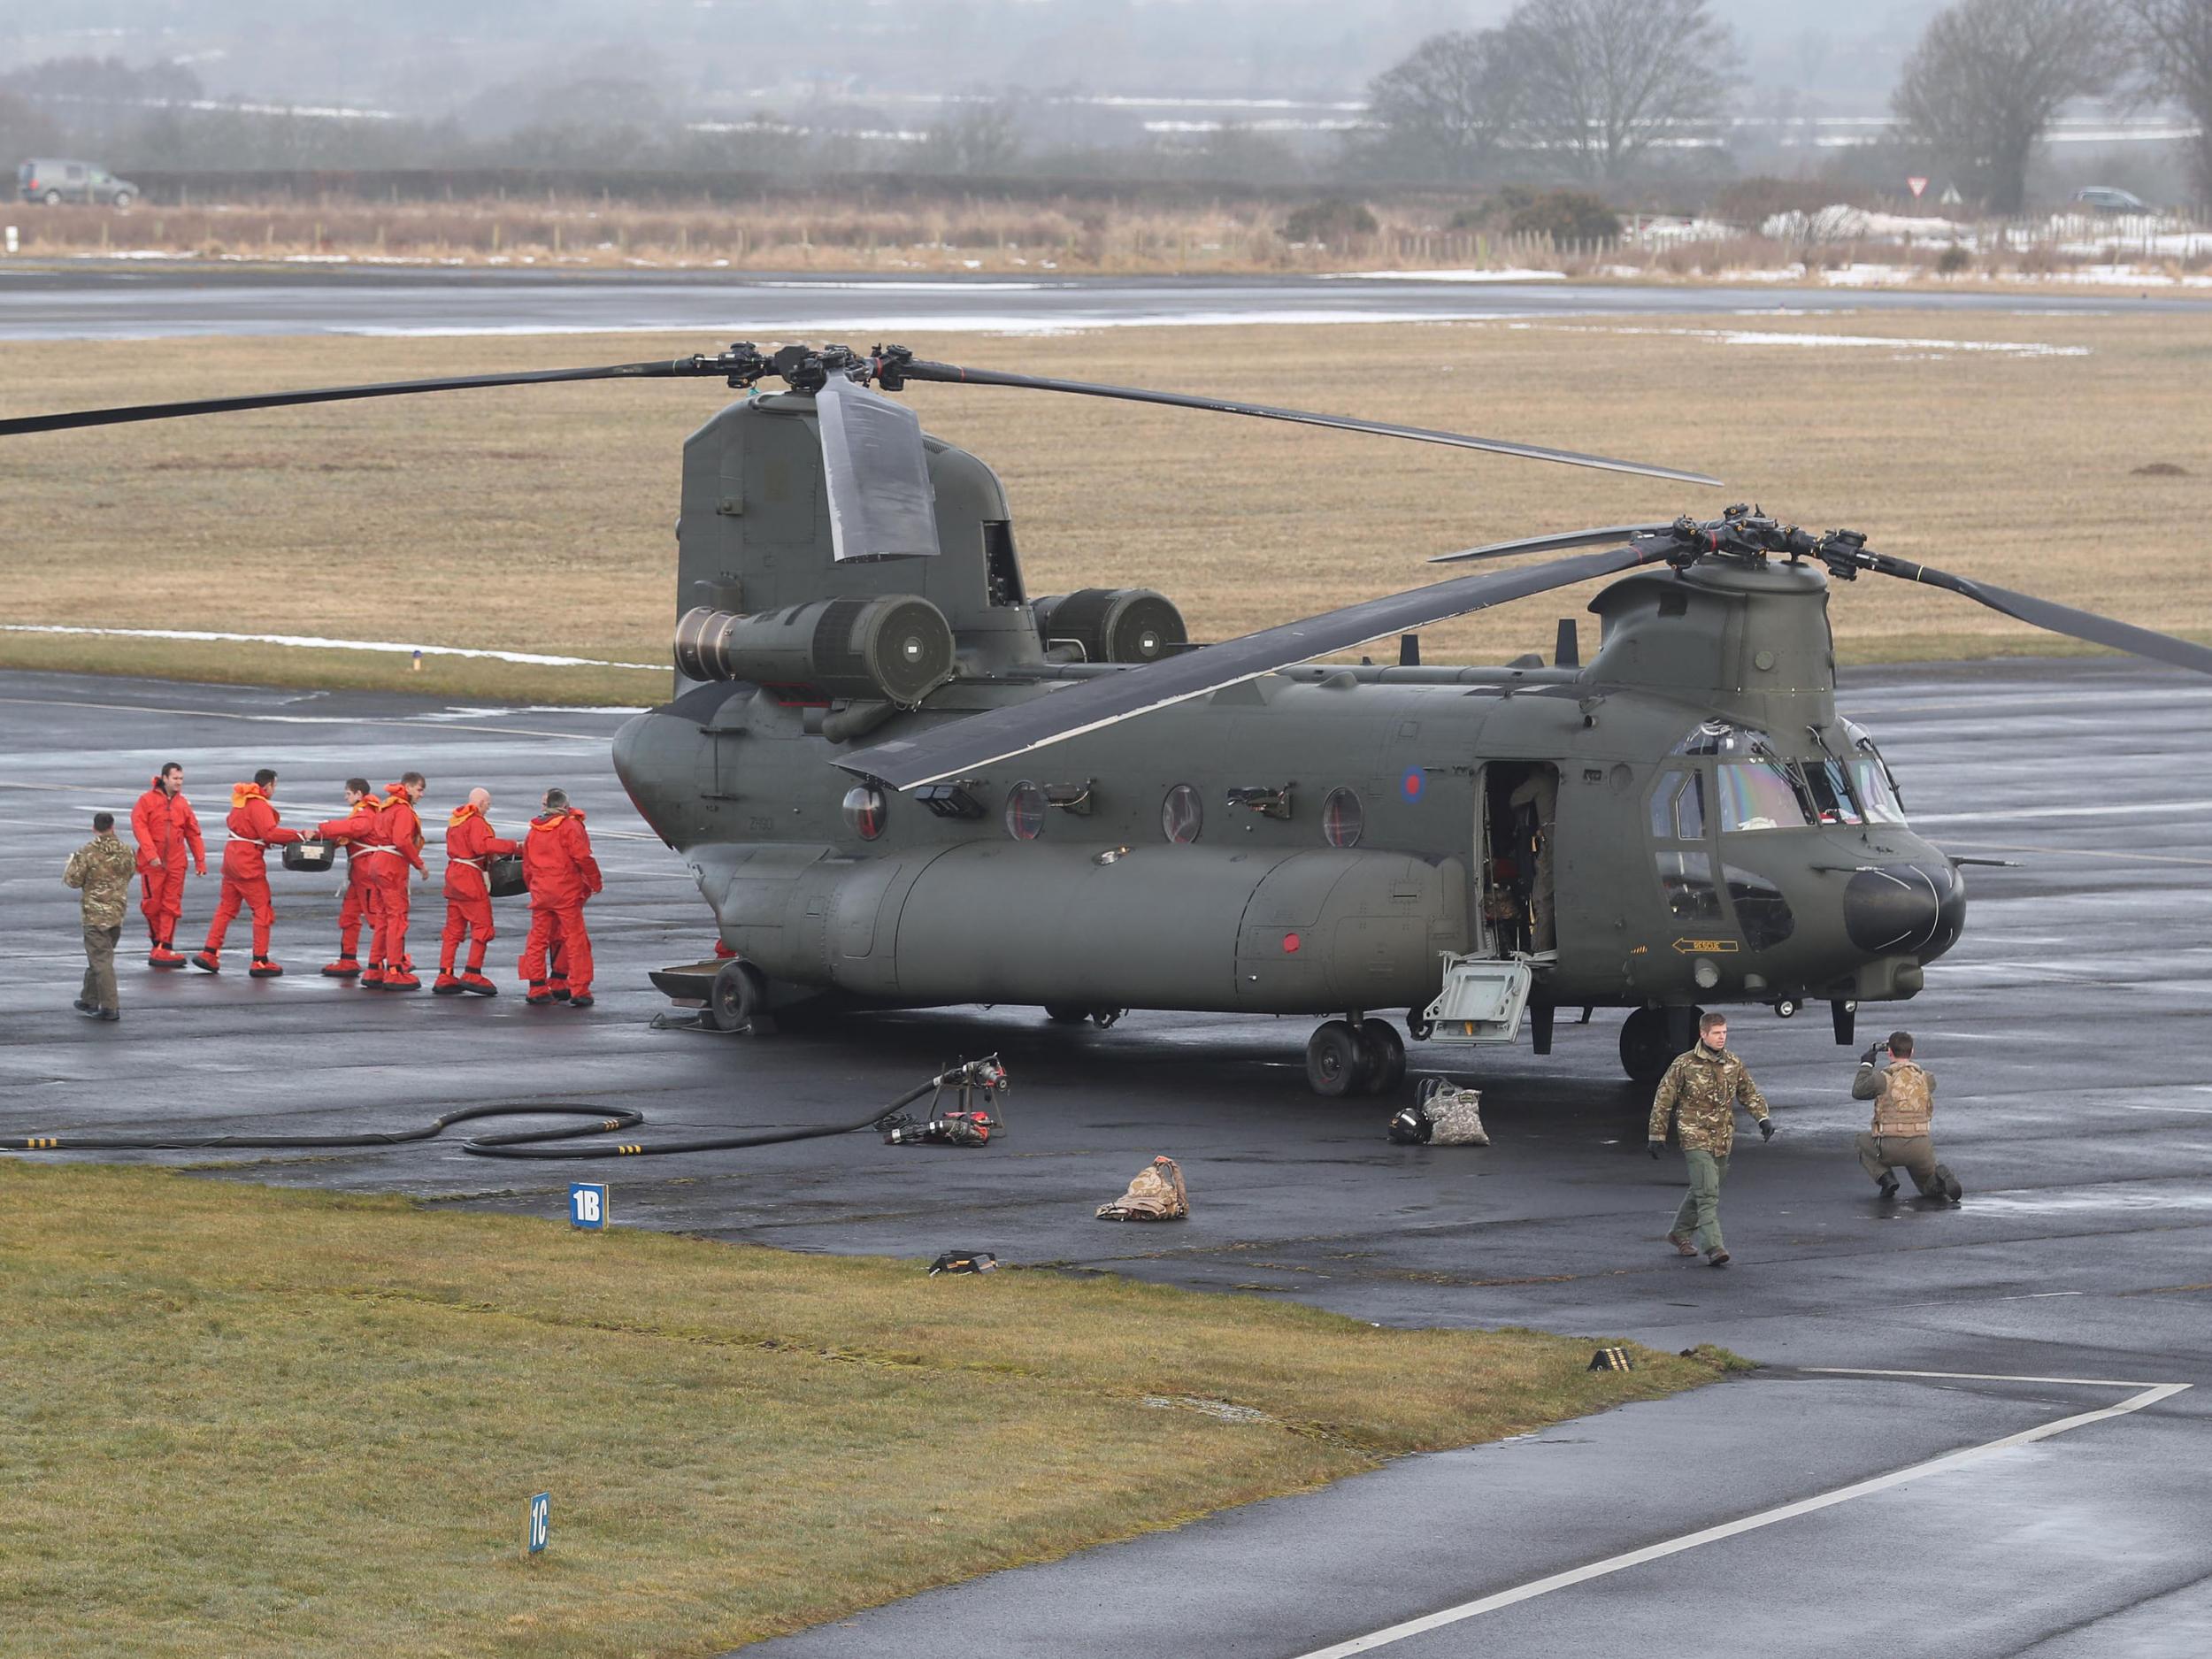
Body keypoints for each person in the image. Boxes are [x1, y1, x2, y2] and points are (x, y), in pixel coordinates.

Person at [1647, 1010, 1776, 1267]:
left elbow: (1748, 1092)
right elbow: (1664, 1100)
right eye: (1716, 1033)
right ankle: (1714, 1246)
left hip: (1722, 1137)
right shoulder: (1684, 1064)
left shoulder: (1733, 1063)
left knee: (1706, 1187)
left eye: (1724, 1033)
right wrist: (1656, 1133)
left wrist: (1763, 1118)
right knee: (1707, 1193)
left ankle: (1679, 1234)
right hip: (1694, 1135)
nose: (1721, 1038)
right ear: (1703, 1034)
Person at [193, 769, 303, 977]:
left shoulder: (240, 802)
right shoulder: (258, 805)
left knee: (226, 908)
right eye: (274, 786)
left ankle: (209, 952)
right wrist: (298, 835)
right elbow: (269, 833)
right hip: (248, 864)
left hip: (231, 861)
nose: (274, 790)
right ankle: (260, 960)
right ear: (268, 786)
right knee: (262, 910)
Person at [1854, 1031, 1962, 1203]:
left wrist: (1866, 1064)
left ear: (1889, 1052)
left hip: (1890, 1146)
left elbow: (1858, 1091)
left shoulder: (1882, 1079)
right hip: (1920, 1145)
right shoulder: (1927, 1078)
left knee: (1861, 1140)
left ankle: (1886, 1179)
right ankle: (1940, 1179)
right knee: (1929, 1189)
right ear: (1912, 1052)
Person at [519, 787, 603, 1009]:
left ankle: (536, 986)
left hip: (542, 894)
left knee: (537, 940)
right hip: (565, 893)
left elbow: (527, 866)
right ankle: (579, 989)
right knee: (575, 941)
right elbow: (583, 857)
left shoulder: (534, 831)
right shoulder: (570, 827)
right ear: (565, 806)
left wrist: (534, 888)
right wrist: (595, 882)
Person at [435, 787, 517, 996]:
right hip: (470, 879)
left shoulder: (455, 821)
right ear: (481, 803)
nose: (489, 808)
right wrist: (515, 846)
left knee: (453, 929)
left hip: (453, 877)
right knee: (483, 926)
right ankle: (473, 972)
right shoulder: (476, 822)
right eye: (488, 804)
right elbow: (482, 846)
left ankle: (445, 974)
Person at [129, 761, 205, 968]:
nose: (179, 782)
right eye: (175, 778)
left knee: (171, 905)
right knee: (152, 905)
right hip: (152, 864)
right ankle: (158, 942)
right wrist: (151, 854)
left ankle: (165, 945)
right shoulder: (146, 801)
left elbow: (193, 832)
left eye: (181, 779)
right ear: (164, 778)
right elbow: (139, 827)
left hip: (176, 863)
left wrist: (200, 860)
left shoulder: (183, 804)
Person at [65, 810, 139, 1021]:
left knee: (101, 960)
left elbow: (73, 881)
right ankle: (89, 998)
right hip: (116, 912)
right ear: (113, 826)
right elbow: (131, 873)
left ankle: (110, 1006)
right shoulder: (126, 850)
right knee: (99, 957)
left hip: (95, 915)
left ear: (94, 828)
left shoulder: (87, 852)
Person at [359, 772, 429, 991]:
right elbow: (401, 840)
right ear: (407, 787)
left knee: (382, 917)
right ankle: (395, 969)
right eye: (419, 789)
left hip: (377, 862)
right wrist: (419, 864)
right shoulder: (403, 810)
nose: (421, 795)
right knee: (397, 917)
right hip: (391, 867)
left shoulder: (386, 806)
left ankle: (374, 967)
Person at [316, 777, 383, 979]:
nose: (346, 797)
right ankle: (348, 959)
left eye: (348, 794)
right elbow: (349, 830)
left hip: (367, 874)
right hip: (359, 875)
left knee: (377, 919)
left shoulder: (366, 813)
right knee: (349, 916)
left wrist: (324, 828)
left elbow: (355, 829)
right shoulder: (362, 812)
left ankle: (398, 960)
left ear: (358, 794)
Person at [1506, 770, 1558, 953]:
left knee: (1543, 899)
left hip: (1550, 841)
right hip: (1559, 839)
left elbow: (1515, 799)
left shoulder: (1540, 779)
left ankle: (1540, 949)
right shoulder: (1556, 779)